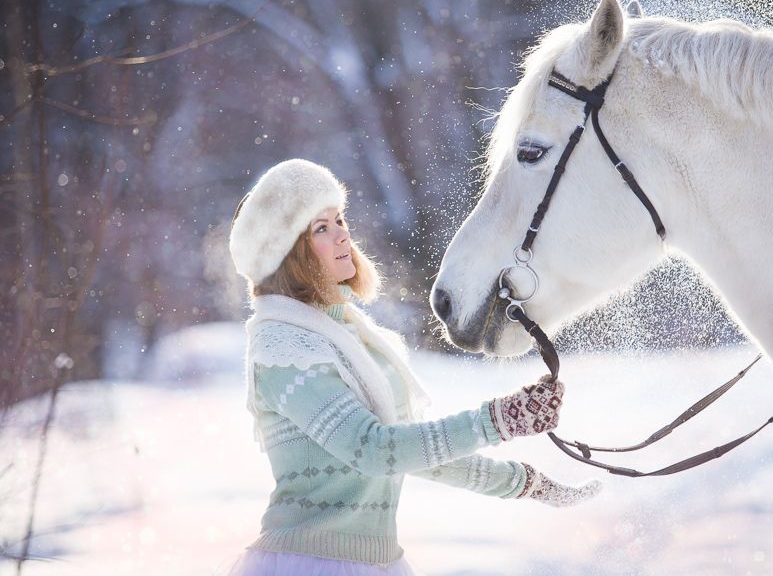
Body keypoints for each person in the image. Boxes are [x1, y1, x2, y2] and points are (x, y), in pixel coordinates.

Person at [225, 159, 600, 576]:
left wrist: (523, 482)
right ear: (288, 254)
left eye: (339, 218)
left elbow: (414, 454)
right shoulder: (283, 347)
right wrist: (498, 421)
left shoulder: (349, 335)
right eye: (320, 228)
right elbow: (374, 450)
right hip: (308, 564)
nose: (343, 233)